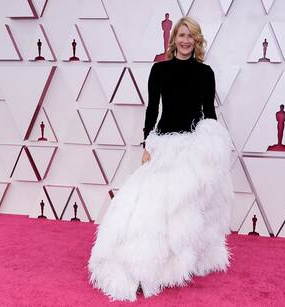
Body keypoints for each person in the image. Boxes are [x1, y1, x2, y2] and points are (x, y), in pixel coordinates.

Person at [88, 17, 233, 301]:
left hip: (193, 149)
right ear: (173, 39)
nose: (185, 40)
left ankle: (180, 264)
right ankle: (143, 267)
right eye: (181, 35)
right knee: (152, 211)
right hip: (164, 147)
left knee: (186, 213)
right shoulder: (160, 71)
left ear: (197, 40)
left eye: (191, 36)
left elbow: (209, 114)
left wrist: (214, 146)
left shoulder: (206, 73)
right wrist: (147, 144)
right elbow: (152, 109)